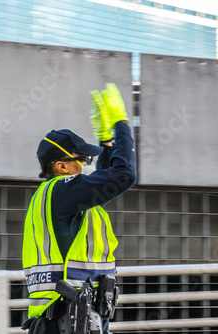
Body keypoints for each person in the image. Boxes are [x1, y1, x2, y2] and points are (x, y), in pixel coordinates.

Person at [21, 83, 136, 333]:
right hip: (68, 320)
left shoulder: (58, 196)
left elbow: (104, 184)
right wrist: (122, 125)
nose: (84, 167)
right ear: (61, 166)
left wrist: (107, 143)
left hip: (73, 318)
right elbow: (123, 175)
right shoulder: (62, 191)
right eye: (81, 161)